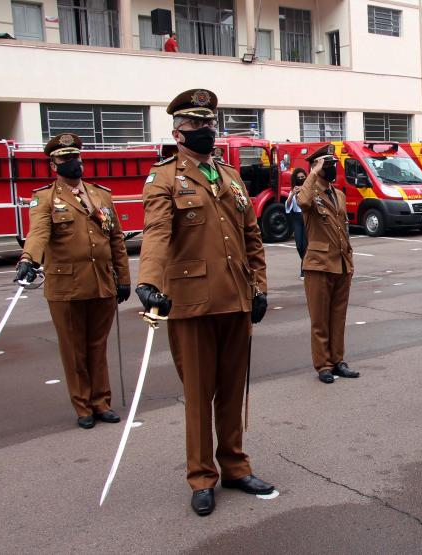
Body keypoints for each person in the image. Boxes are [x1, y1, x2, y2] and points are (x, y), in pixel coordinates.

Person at [136, 89, 274, 516]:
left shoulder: (230, 176)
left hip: (235, 298)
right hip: (192, 303)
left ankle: (234, 465)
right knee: (199, 395)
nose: (206, 130)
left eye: (209, 123)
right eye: (196, 125)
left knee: (233, 391)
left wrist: (259, 286)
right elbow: (157, 235)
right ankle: (201, 476)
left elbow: (252, 238)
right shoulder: (163, 178)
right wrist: (147, 282)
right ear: (177, 132)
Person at [17, 133, 131, 429]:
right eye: (65, 158)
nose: (73, 162)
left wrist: (124, 278)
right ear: (53, 163)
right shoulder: (45, 198)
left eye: (76, 156)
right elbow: (39, 233)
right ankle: (82, 406)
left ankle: (101, 401)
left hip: (102, 282)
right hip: (66, 286)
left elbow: (116, 238)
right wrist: (29, 260)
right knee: (73, 349)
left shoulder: (100, 195)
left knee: (97, 345)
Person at [297, 145, 360, 384]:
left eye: (333, 163)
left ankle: (338, 360)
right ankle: (323, 364)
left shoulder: (339, 194)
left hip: (342, 263)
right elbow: (302, 201)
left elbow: (343, 228)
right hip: (319, 264)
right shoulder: (308, 192)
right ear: (316, 166)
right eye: (327, 164)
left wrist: (350, 258)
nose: (332, 168)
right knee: (320, 319)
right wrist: (313, 173)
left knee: (338, 316)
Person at [285, 168, 308, 278]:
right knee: (299, 245)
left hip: (307, 217)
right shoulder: (293, 190)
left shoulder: (308, 189)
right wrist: (293, 194)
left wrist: (303, 189)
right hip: (297, 218)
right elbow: (288, 206)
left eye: (302, 177)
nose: (300, 179)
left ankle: (303, 269)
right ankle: (306, 263)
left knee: (306, 245)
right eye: (298, 178)